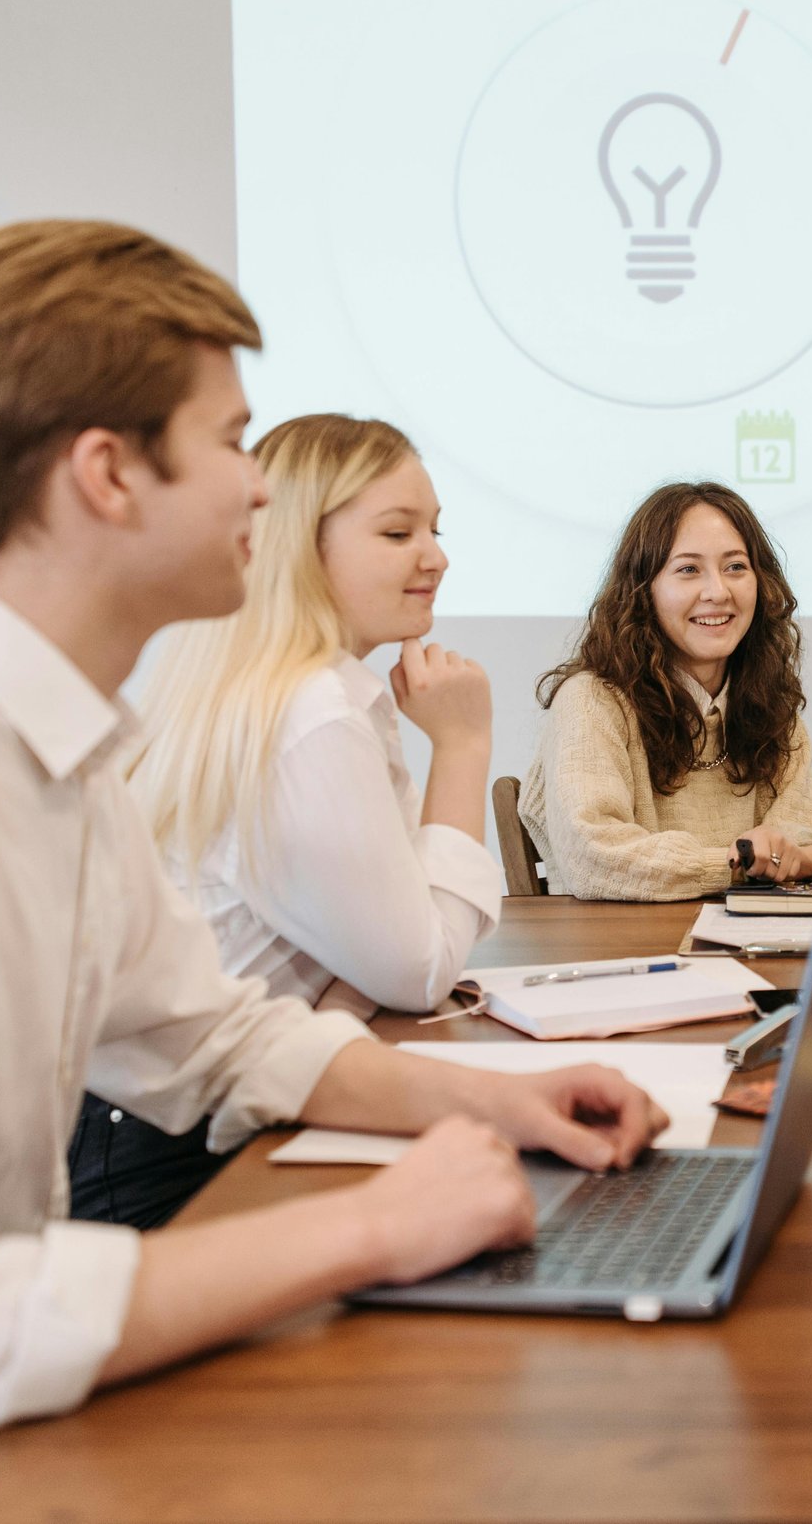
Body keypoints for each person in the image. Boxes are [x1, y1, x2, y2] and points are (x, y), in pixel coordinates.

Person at [0, 222, 667, 1520]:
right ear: (106, 474)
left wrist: (504, 1104)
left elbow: (212, 1041)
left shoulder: (62, 759)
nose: (260, 491)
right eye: (227, 442)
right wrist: (372, 1226)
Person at [72, 414, 503, 1229]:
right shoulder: (312, 714)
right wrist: (464, 744)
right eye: (397, 530)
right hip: (173, 1158)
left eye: (435, 529)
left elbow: (390, 953)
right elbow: (416, 969)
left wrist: (349, 995)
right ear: (305, 546)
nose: (436, 555)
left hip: (163, 1129)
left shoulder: (317, 694)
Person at [519, 480, 812, 900]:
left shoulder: (771, 709)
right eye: (688, 569)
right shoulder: (591, 701)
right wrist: (738, 865)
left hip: (745, 953)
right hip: (622, 956)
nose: (718, 592)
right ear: (643, 590)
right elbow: (593, 857)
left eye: (736, 567)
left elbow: (805, 842)